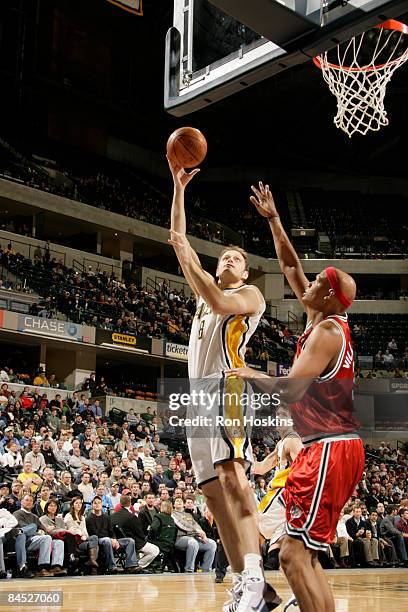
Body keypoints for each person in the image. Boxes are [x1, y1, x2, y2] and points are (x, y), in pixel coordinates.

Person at [229, 183, 365, 612]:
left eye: (316, 281)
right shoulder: (320, 314)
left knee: (289, 554)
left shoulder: (326, 332)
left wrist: (248, 372)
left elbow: (289, 389)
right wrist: (273, 220)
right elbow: (289, 266)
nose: (304, 280)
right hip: (329, 448)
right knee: (303, 556)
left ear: (326, 296)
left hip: (328, 448)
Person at [167, 158, 279, 612]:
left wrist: (197, 268)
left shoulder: (249, 297)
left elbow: (213, 294)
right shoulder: (204, 293)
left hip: (226, 390)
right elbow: (177, 238)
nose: (231, 259)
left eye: (239, 259)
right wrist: (178, 188)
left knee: (235, 481)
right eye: (225, 256)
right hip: (197, 399)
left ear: (246, 273)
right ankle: (248, 585)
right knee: (213, 495)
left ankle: (255, 573)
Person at [254, 407, 302, 570]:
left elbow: (302, 470)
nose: (278, 418)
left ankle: (248, 567)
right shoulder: (282, 443)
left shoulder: (293, 441)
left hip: (282, 493)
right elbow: (261, 468)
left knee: (255, 527)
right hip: (284, 495)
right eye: (277, 415)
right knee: (278, 534)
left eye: (283, 414)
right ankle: (271, 561)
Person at [13, 494, 66, 576]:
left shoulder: (34, 516)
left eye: (31, 501)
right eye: (27, 500)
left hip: (36, 539)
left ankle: (56, 566)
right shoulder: (17, 514)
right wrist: (38, 532)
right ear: (21, 502)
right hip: (25, 540)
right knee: (40, 532)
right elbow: (24, 530)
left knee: (59, 542)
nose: (29, 502)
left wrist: (43, 531)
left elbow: (45, 530)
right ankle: (42, 567)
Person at [85, 496, 140, 574]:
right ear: (92, 505)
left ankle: (130, 566)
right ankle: (112, 567)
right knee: (107, 540)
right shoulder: (89, 519)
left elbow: (111, 531)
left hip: (110, 539)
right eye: (95, 503)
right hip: (99, 540)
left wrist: (114, 539)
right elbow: (94, 534)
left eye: (99, 503)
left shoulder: (106, 517)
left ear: (102, 504)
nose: (97, 505)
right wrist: (110, 539)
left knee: (130, 541)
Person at [112, 494, 160, 570]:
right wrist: (144, 539)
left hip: (119, 543)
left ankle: (135, 564)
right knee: (155, 550)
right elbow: (139, 532)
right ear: (130, 503)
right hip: (135, 542)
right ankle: (138, 565)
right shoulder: (132, 517)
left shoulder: (112, 516)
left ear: (120, 503)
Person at [172, 497, 217, 573]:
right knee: (193, 542)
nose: (179, 502)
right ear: (174, 504)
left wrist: (203, 535)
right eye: (177, 501)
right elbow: (182, 525)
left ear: (183, 505)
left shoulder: (188, 515)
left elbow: (196, 525)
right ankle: (189, 569)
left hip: (193, 537)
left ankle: (206, 569)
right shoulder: (172, 514)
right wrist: (196, 531)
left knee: (212, 543)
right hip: (179, 538)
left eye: (181, 501)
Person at [64, 496, 99, 573]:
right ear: (72, 505)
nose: (79, 505)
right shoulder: (68, 516)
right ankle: (93, 566)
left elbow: (85, 531)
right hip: (76, 541)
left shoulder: (82, 517)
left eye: (80, 503)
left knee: (94, 538)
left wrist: (85, 536)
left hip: (84, 539)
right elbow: (71, 530)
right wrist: (81, 534)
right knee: (94, 545)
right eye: (76, 503)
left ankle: (92, 560)